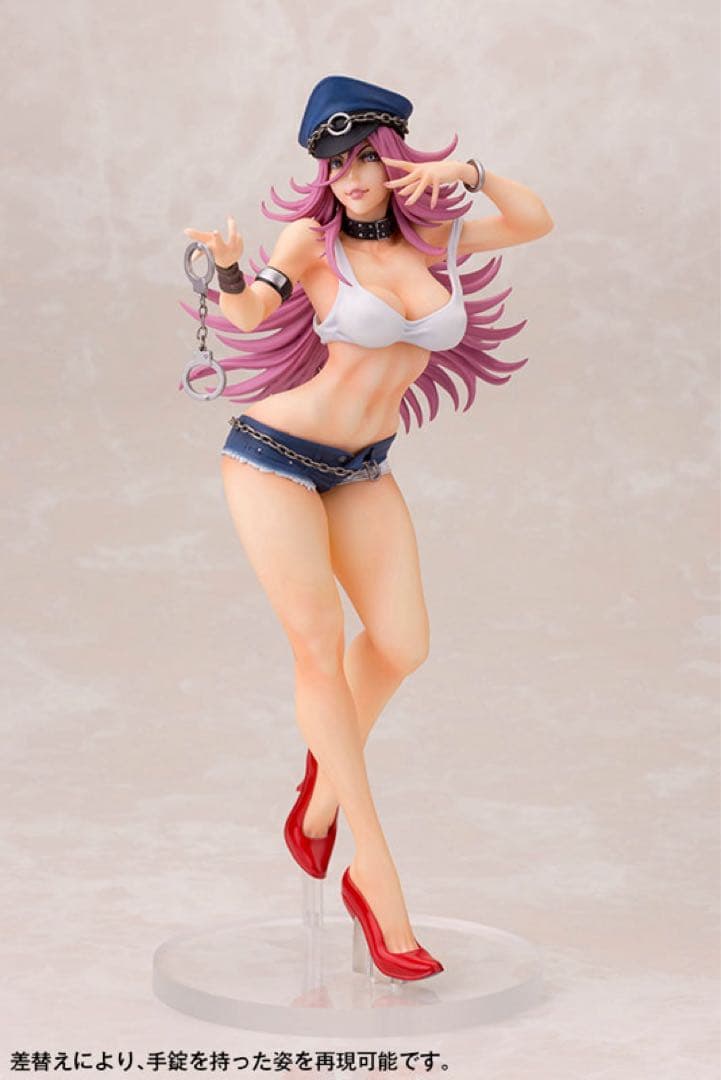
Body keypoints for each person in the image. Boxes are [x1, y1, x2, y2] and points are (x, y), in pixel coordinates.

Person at [182, 75, 553, 981]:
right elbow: (248, 312)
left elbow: (535, 221)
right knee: (318, 650)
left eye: (361, 159)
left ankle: (318, 793)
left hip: (361, 469)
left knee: (403, 645)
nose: (347, 178)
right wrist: (229, 266)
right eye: (333, 164)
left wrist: (470, 173)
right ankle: (374, 878)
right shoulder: (312, 244)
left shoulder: (441, 240)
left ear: (392, 159)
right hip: (272, 456)